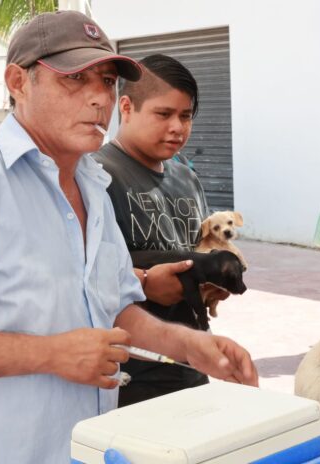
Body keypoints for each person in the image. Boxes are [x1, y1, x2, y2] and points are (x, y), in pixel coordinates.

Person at [0, 11, 257, 463]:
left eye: (107, 81)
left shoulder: (94, 187)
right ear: (18, 82)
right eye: (75, 79)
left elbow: (116, 307)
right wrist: (49, 354)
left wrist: (190, 346)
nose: (98, 99)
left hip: (89, 448)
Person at [92, 54, 228, 406]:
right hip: (129, 371)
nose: (177, 127)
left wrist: (212, 281)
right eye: (163, 114)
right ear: (126, 106)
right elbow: (80, 272)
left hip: (191, 357)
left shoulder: (186, 176)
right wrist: (147, 281)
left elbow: (195, 248)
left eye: (185, 116)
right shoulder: (95, 176)